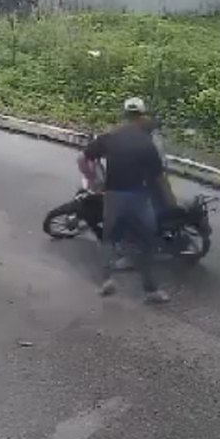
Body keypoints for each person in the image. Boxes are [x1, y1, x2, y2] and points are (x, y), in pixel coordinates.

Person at [79, 97, 170, 304]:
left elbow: (82, 158)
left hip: (113, 197)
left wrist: (94, 181)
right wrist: (169, 201)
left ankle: (106, 282)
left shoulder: (110, 137)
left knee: (110, 239)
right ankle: (151, 291)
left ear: (124, 115)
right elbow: (159, 178)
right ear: (142, 116)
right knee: (147, 242)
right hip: (138, 198)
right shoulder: (147, 142)